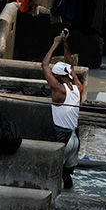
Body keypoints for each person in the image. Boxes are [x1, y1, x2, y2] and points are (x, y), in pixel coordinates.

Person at [43, 30, 84, 188]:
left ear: (58, 77)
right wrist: (65, 43)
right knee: (66, 176)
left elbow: (44, 65)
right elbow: (70, 65)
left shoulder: (58, 90)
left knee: (52, 176)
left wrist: (55, 43)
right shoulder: (77, 87)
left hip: (62, 138)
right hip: (75, 138)